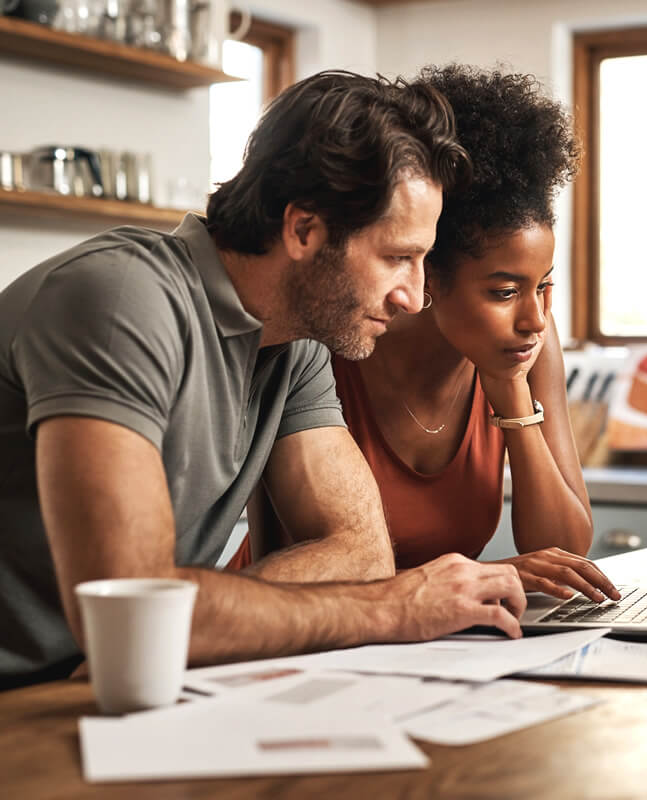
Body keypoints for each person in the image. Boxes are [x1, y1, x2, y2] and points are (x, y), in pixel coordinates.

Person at [0, 70, 528, 691]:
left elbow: (362, 556)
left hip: (111, 686)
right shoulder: (121, 301)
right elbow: (133, 613)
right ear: (304, 230)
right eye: (396, 257)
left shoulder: (294, 343)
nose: (414, 297)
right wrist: (396, 607)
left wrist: (188, 620)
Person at [246, 65, 620, 605]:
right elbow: (287, 561)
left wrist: (511, 391)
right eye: (503, 291)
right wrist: (486, 576)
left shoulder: (527, 344)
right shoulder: (332, 340)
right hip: (301, 629)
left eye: (544, 286)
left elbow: (566, 552)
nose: (535, 319)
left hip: (435, 638)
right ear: (428, 273)